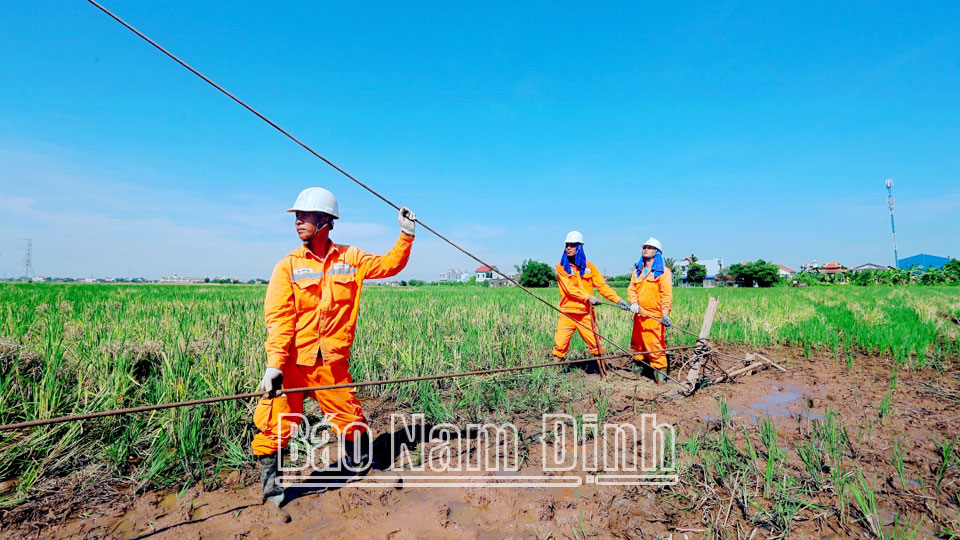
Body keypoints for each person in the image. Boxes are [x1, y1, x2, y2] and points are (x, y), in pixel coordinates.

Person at [253, 187, 416, 506]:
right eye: (296, 216)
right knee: (274, 426)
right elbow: (279, 319)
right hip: (293, 367)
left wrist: (406, 233)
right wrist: (274, 366)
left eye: (305, 215)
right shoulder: (287, 266)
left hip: (332, 366)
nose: (297, 221)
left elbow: (389, 266)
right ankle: (272, 492)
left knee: (351, 421)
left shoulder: (351, 258)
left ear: (325, 220)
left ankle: (361, 470)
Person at [552, 231, 629, 361]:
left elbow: (602, 286)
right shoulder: (561, 267)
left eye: (572, 245)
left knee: (596, 344)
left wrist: (618, 301)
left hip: (585, 314)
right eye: (567, 245)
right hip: (567, 313)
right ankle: (554, 372)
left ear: (579, 247)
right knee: (560, 345)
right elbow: (570, 289)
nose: (568, 248)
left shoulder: (590, 266)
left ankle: (602, 374)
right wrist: (588, 297)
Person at [627, 237, 673, 383]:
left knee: (655, 346)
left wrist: (665, 314)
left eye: (649, 247)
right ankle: (637, 372)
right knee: (638, 344)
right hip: (639, 315)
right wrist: (633, 302)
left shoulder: (663, 272)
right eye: (644, 247)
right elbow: (632, 290)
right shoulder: (637, 272)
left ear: (657, 252)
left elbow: (666, 295)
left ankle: (660, 378)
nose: (645, 249)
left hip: (654, 316)